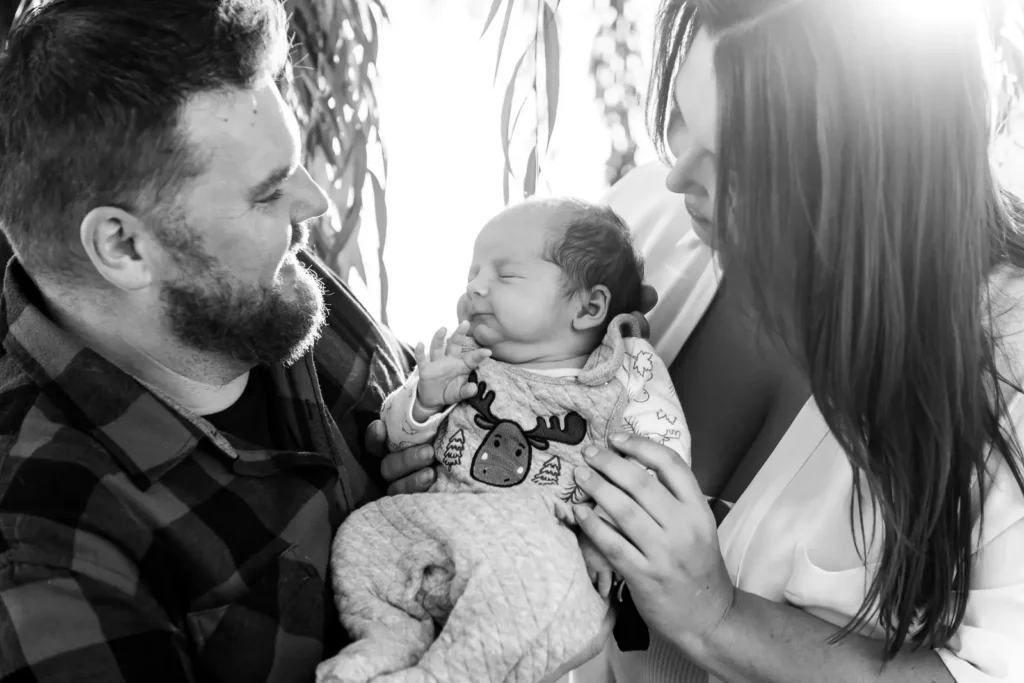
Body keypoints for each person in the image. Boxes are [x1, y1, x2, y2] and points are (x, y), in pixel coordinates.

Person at [572, 1, 1024, 682]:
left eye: (732, 162)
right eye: (683, 122)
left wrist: (717, 616)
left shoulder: (1008, 366)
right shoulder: (651, 233)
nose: (675, 176)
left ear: (866, 178)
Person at [0, 1, 424, 681]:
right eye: (267, 194)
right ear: (124, 245)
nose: (316, 204)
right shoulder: (44, 545)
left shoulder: (261, 277)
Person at [318, 199, 688, 683]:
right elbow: (394, 438)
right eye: (472, 272)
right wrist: (423, 403)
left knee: (544, 599)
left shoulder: (621, 374)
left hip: (541, 548)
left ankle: (445, 676)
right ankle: (383, 646)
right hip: (434, 524)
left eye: (506, 276)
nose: (475, 286)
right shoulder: (465, 358)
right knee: (360, 535)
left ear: (589, 306)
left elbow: (660, 462)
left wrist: (607, 540)